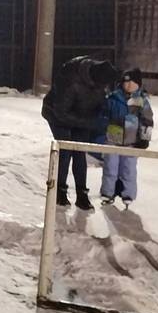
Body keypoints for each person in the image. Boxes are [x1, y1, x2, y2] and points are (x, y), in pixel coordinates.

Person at [41, 55, 120, 210]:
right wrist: (89, 123)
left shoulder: (100, 81)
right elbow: (61, 112)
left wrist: (102, 118)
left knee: (80, 152)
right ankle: (60, 192)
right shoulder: (71, 80)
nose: (104, 87)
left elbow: (100, 103)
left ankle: (81, 194)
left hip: (82, 116)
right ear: (94, 79)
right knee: (66, 151)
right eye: (103, 84)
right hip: (57, 116)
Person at [99, 68, 153, 209]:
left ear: (138, 84)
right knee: (110, 167)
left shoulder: (141, 100)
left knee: (129, 168)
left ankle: (127, 193)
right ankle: (108, 192)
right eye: (126, 82)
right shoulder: (113, 98)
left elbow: (147, 120)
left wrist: (144, 138)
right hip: (113, 140)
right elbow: (103, 115)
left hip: (131, 142)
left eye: (132, 82)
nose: (129, 85)